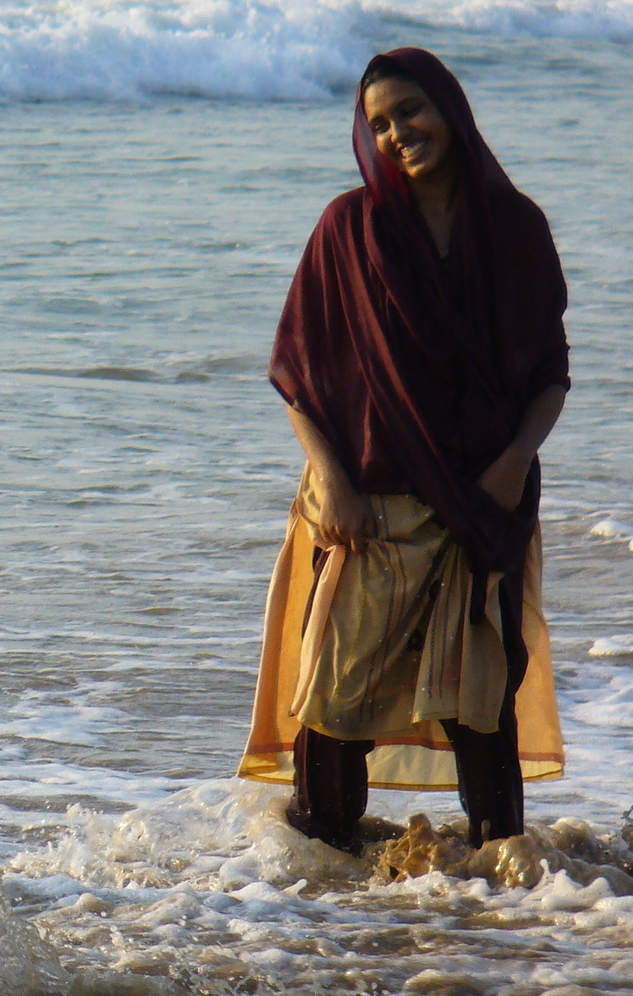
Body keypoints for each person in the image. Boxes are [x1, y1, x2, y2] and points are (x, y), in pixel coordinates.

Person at [238, 49, 569, 853]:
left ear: (450, 108)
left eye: (409, 111)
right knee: (335, 702)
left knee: (477, 707)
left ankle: (505, 901)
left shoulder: (516, 228)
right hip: (370, 506)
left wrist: (513, 462)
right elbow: (299, 380)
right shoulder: (349, 229)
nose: (396, 133)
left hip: (482, 505)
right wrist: (332, 480)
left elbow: (551, 377)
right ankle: (319, 899)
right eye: (377, 123)